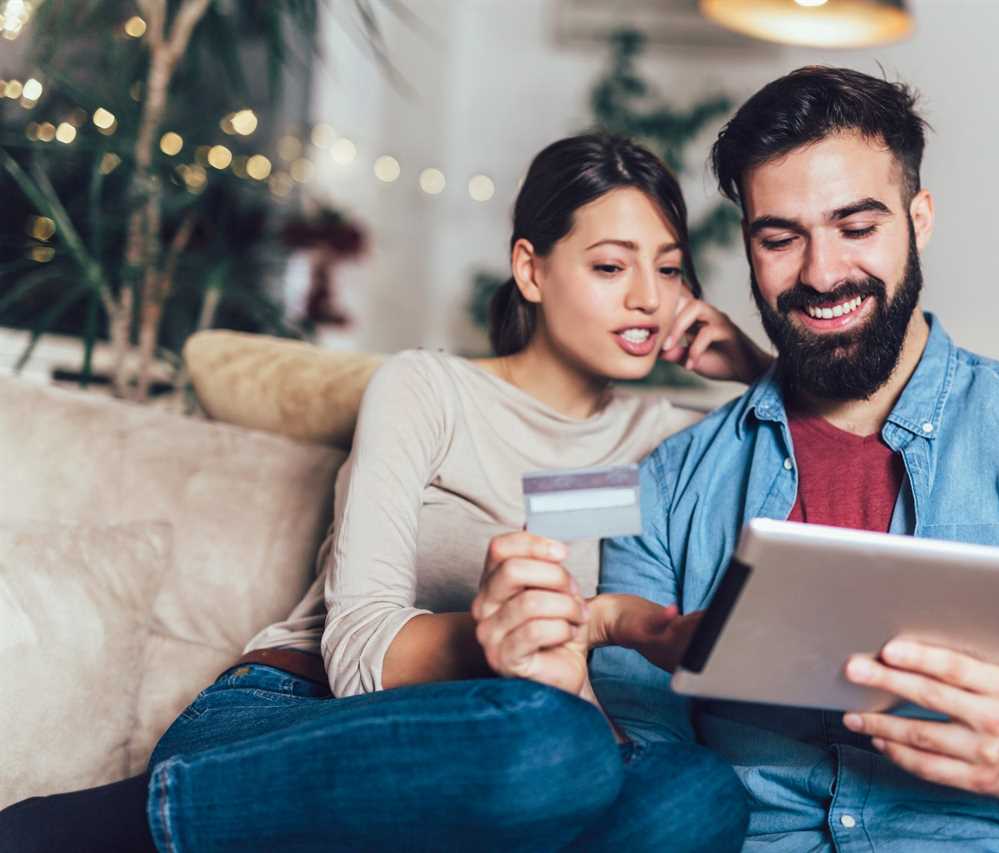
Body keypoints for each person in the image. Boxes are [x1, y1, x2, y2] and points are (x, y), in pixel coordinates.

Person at [0, 133, 759, 853]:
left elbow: (823, 434)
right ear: (531, 269)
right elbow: (356, 650)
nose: (650, 299)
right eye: (611, 267)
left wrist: (756, 367)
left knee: (700, 790)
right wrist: (517, 638)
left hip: (518, 763)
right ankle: (97, 826)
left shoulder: (668, 437)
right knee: (551, 741)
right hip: (301, 716)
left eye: (669, 268)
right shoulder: (425, 389)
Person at [583, 67, 999, 851]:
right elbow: (639, 784)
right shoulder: (672, 485)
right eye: (781, 238)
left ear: (919, 219)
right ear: (748, 246)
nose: (822, 274)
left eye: (857, 228)